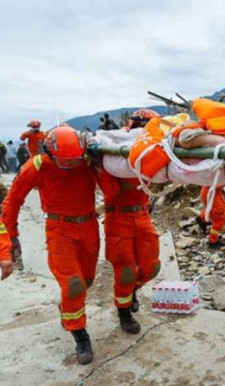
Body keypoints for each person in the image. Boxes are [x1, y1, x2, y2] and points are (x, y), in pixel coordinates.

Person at [3, 125, 99, 365]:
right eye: (64, 163)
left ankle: (66, 308)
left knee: (86, 281)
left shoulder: (87, 161)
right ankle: (80, 335)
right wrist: (10, 238)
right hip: (59, 229)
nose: (70, 167)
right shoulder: (37, 165)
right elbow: (12, 202)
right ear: (50, 153)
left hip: (89, 228)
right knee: (74, 284)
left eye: (74, 162)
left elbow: (116, 180)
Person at [96, 110, 162, 334]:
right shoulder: (115, 149)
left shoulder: (151, 148)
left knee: (151, 266)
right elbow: (111, 192)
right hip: (118, 216)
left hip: (141, 214)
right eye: (140, 124)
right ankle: (123, 312)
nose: (141, 129)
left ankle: (133, 290)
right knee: (124, 270)